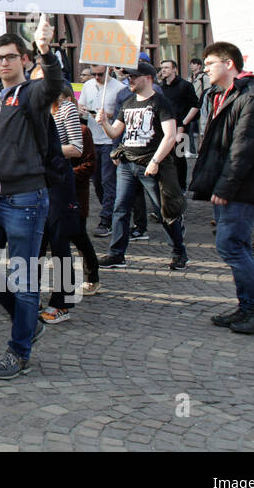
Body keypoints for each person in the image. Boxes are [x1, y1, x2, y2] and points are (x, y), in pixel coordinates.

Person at [0, 18, 63, 380]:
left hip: (25, 198)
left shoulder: (33, 93)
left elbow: (55, 83)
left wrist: (46, 49)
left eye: (10, 57)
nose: (4, 63)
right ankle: (27, 322)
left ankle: (19, 350)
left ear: (24, 60)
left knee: (24, 277)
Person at [191, 42, 254, 333]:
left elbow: (244, 149)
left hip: (245, 188)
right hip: (233, 185)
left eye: (210, 63)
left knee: (229, 244)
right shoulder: (224, 95)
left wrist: (225, 187)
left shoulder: (252, 97)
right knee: (237, 244)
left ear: (229, 64)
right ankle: (248, 307)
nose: (205, 69)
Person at [96, 61, 188, 270]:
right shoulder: (128, 102)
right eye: (128, 77)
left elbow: (170, 135)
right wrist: (103, 123)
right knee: (120, 209)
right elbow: (115, 133)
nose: (129, 80)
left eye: (133, 77)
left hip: (151, 166)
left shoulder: (161, 102)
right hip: (128, 164)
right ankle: (116, 254)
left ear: (147, 78)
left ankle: (179, 252)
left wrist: (155, 161)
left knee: (165, 211)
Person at [39, 84, 100, 323]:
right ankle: (32, 298)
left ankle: (62, 303)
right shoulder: (35, 109)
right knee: (37, 243)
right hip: (37, 184)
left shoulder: (65, 109)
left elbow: (76, 148)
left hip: (60, 185)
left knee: (60, 243)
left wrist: (43, 152)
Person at [77, 65, 126, 237]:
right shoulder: (88, 86)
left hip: (109, 139)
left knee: (107, 180)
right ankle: (111, 210)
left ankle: (106, 219)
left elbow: (122, 113)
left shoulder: (119, 88)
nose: (97, 77)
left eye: (100, 74)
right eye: (94, 74)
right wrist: (81, 109)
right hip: (92, 138)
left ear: (109, 71)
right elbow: (81, 104)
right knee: (97, 181)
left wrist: (108, 116)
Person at [158, 59, 200, 190]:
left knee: (179, 158)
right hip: (164, 128)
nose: (163, 70)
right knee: (165, 157)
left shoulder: (185, 85)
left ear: (174, 69)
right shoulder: (160, 87)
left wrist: (184, 123)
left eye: (166, 67)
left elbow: (195, 106)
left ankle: (181, 187)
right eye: (162, 68)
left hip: (181, 128)